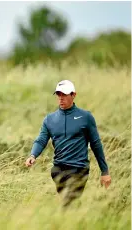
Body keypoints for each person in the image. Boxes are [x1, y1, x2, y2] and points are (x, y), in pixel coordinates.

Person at [25, 80, 111, 208]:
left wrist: (105, 171)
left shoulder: (85, 117)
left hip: (79, 169)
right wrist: (33, 155)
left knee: (68, 202)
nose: (61, 98)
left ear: (73, 95)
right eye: (58, 94)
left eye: (64, 94)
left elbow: (96, 144)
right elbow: (41, 139)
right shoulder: (50, 119)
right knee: (69, 203)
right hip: (58, 170)